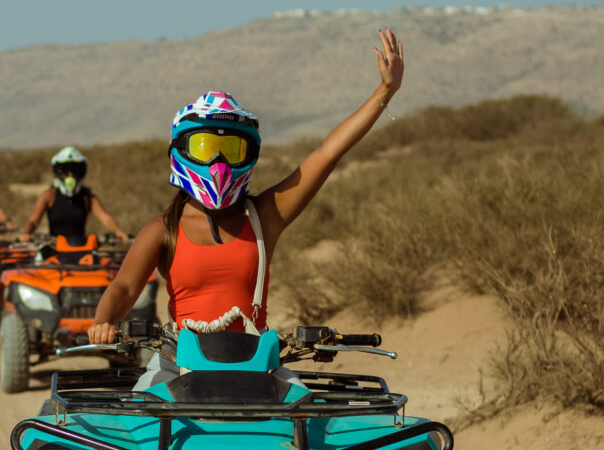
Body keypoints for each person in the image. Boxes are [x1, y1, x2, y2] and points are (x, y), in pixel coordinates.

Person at [87, 27, 404, 346]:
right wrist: (104, 322)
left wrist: (385, 91)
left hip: (254, 363)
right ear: (181, 149)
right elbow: (125, 287)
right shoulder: (162, 229)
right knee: (143, 398)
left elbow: (327, 154)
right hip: (178, 362)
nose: (218, 161)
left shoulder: (264, 217)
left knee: (303, 397)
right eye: (204, 147)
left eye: (233, 149)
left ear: (250, 153)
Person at [19, 146, 127, 244]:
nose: (70, 174)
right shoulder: (48, 196)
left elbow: (105, 218)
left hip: (81, 248)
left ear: (81, 171)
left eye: (74, 169)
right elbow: (33, 221)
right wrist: (27, 233)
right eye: (66, 169)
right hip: (53, 248)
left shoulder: (88, 198)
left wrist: (118, 231)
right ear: (58, 171)